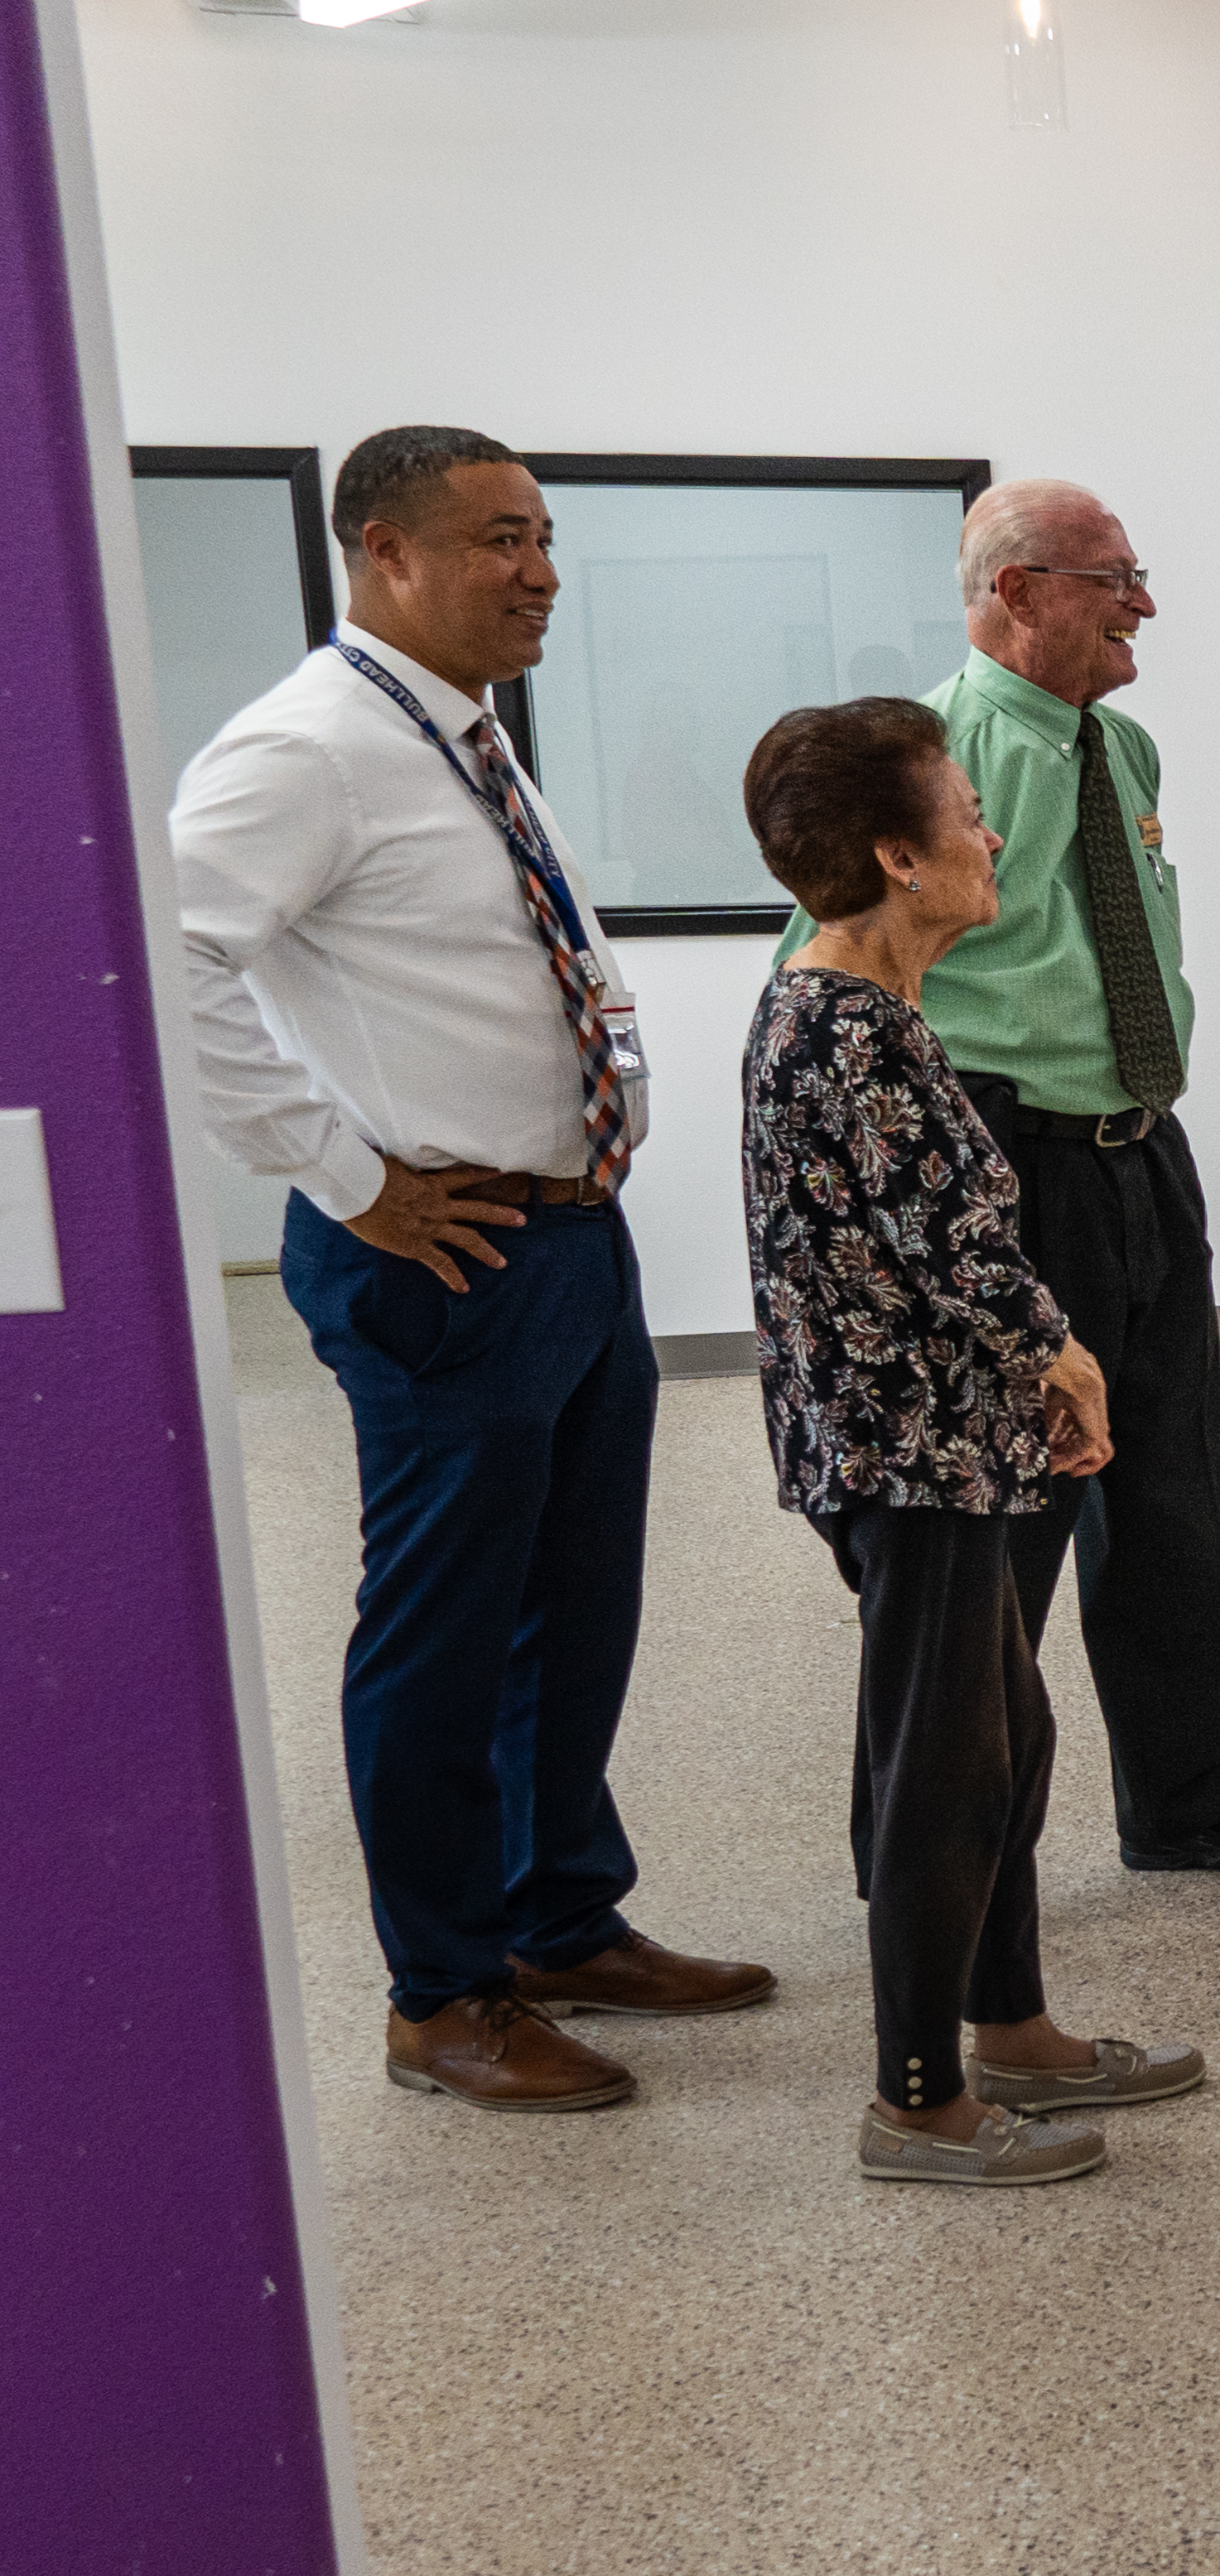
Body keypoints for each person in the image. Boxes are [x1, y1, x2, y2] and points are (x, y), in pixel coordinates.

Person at [166, 424, 772, 2112]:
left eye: (547, 538)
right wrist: (349, 1178)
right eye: (501, 540)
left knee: (572, 1612)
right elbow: (168, 959)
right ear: (384, 554)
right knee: (438, 1636)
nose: (542, 573)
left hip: (566, 1237)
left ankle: (558, 1918)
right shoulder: (305, 747)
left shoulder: (459, 744)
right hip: (443, 1259)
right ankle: (442, 1993)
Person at [740, 700, 1211, 2186]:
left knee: (1003, 1735)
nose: (990, 831)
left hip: (935, 1442)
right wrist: (1063, 1358)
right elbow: (955, 1247)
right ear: (898, 852)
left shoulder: (861, 1009)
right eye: (963, 809)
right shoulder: (849, 1025)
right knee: (947, 1761)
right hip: (914, 1456)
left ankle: (1011, 2020)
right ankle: (918, 2094)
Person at [918, 479, 1220, 1878]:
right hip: (1014, 1164)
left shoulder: (1127, 748)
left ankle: (1183, 1801)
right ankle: (965, 1845)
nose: (1143, 604)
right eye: (1115, 579)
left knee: (1171, 1498)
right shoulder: (933, 758)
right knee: (1016, 1522)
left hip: (1141, 1152)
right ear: (1019, 591)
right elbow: (859, 976)